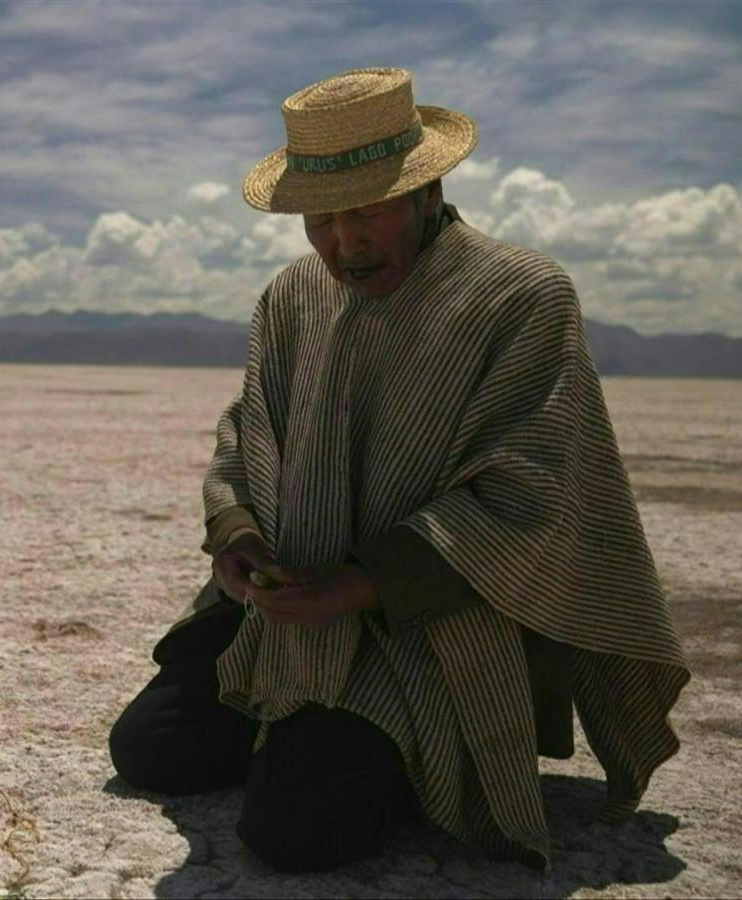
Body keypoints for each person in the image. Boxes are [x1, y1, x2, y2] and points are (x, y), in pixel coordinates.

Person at [108, 67, 690, 874]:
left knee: (292, 835)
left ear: (427, 189)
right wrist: (237, 535)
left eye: (367, 211)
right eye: (322, 217)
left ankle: (421, 747)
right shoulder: (291, 296)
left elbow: (533, 488)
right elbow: (247, 433)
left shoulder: (520, 296)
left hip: (427, 624)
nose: (345, 244)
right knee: (149, 753)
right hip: (285, 610)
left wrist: (360, 585)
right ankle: (304, 723)